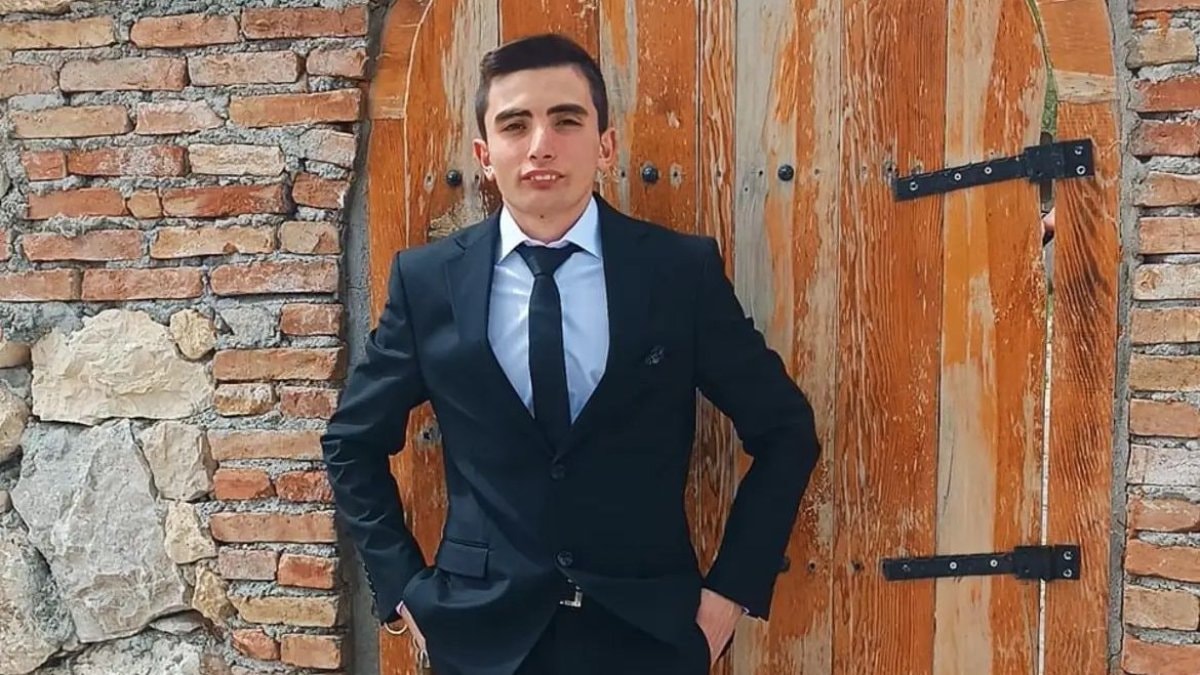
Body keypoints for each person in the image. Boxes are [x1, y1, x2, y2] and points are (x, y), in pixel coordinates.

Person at [321, 33, 821, 675]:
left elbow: (785, 429)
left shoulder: (677, 273)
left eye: (566, 120)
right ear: (485, 154)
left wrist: (731, 592)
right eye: (515, 125)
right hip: (479, 638)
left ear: (605, 145)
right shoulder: (428, 284)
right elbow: (351, 442)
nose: (541, 145)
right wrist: (402, 590)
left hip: (648, 637)